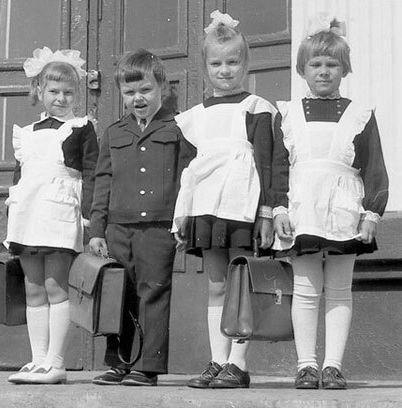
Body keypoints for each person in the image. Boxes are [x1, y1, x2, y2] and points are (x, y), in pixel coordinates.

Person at [271, 14, 389, 390]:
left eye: (332, 65)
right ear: (302, 69)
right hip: (302, 209)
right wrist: (278, 209)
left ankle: (333, 365)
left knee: (339, 288)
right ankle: (306, 365)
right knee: (306, 288)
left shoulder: (360, 114)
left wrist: (371, 213)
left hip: (344, 209)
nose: (324, 71)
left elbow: (374, 167)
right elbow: (278, 167)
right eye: (316, 64)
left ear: (345, 68)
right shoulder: (288, 114)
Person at [171, 10, 276, 389]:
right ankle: (218, 360)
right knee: (216, 285)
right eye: (216, 64)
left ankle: (238, 363)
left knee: (241, 284)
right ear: (205, 68)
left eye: (232, 62)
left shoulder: (256, 108)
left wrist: (266, 213)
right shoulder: (194, 117)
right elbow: (188, 173)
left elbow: (267, 163)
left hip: (242, 207)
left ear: (245, 64)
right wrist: (182, 216)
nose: (225, 70)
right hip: (206, 209)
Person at [88, 48, 195, 387]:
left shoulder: (178, 129)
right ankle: (120, 362)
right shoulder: (113, 133)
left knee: (153, 294)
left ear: (162, 87)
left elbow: (187, 178)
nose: (138, 98)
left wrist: (182, 220)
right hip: (119, 228)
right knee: (120, 294)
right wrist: (97, 229)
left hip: (158, 228)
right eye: (129, 92)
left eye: (146, 90)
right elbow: (102, 181)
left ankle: (148, 366)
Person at [4, 46, 99, 384]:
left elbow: (92, 173)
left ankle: (56, 363)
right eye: (54, 91)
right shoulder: (27, 133)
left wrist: (88, 217)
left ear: (77, 94)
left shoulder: (81, 128)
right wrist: (13, 208)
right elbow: (21, 175)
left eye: (68, 92)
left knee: (55, 286)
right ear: (39, 91)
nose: (61, 98)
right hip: (29, 214)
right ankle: (37, 360)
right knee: (33, 290)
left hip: (59, 211)